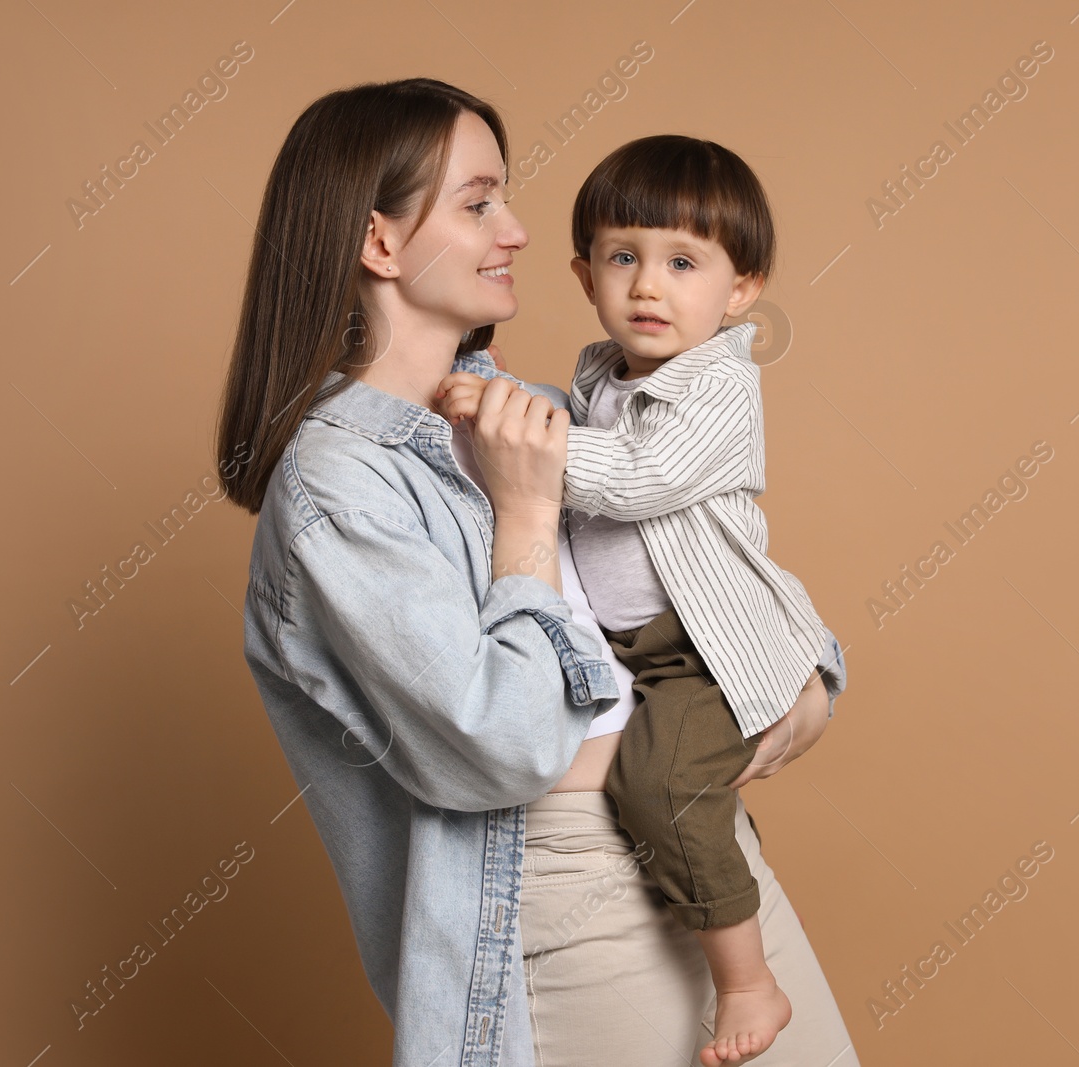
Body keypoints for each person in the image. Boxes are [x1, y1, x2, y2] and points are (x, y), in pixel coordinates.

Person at [217, 77, 858, 1066]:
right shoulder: (339, 485)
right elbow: (500, 745)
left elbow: (703, 549)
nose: (515, 230)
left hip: (698, 851)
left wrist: (810, 674)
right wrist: (524, 512)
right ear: (380, 244)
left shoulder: (526, 404)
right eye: (478, 204)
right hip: (559, 878)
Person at [434, 135, 847, 1065]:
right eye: (624, 258)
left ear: (741, 290)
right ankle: (722, 920)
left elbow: (639, 477)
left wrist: (523, 444)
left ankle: (747, 980)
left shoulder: (719, 387)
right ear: (585, 276)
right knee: (674, 781)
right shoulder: (599, 378)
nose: (648, 286)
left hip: (715, 651)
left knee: (661, 785)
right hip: (648, 654)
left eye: (683, 263)